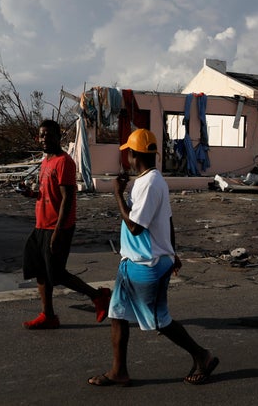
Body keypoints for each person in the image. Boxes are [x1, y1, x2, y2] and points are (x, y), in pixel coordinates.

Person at [88, 128, 219, 386]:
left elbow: (136, 227)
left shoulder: (149, 184)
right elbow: (167, 221)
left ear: (135, 155)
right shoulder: (151, 180)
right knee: (117, 315)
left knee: (160, 320)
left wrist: (116, 193)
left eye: (128, 153)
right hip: (132, 263)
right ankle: (119, 371)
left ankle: (202, 355)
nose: (126, 157)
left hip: (148, 265)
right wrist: (173, 251)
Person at [20, 119, 111, 330]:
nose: (44, 139)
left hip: (57, 227)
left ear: (58, 137)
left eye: (49, 135)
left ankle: (98, 296)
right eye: (41, 135)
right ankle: (48, 315)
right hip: (41, 225)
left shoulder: (64, 162)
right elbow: (46, 194)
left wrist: (58, 233)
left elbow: (68, 199)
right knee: (39, 270)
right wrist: (31, 193)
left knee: (57, 274)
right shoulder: (46, 161)